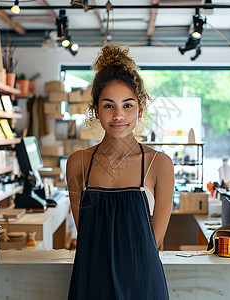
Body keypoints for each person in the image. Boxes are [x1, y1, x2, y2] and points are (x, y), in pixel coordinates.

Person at [66, 44, 174, 299]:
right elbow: (88, 235)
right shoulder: (78, 163)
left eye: (127, 105)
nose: (118, 115)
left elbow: (153, 242)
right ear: (95, 110)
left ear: (140, 108)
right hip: (91, 282)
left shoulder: (159, 163)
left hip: (142, 283)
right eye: (108, 106)